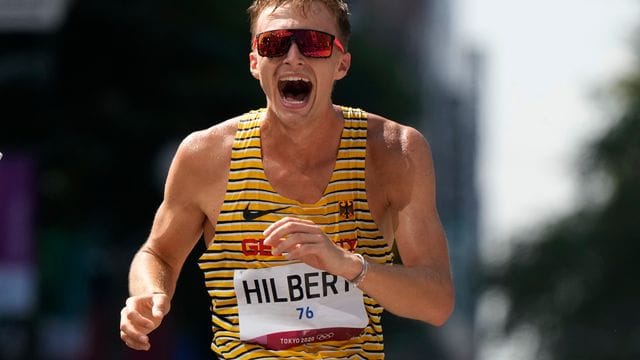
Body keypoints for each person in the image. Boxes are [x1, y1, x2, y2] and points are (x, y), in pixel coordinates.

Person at [119, 0, 454, 358]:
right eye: (273, 43)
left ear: (341, 63)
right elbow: (158, 254)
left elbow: (436, 301)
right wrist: (148, 294)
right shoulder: (205, 156)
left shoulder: (394, 152)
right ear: (254, 62)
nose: (292, 57)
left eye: (314, 43)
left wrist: (348, 266)